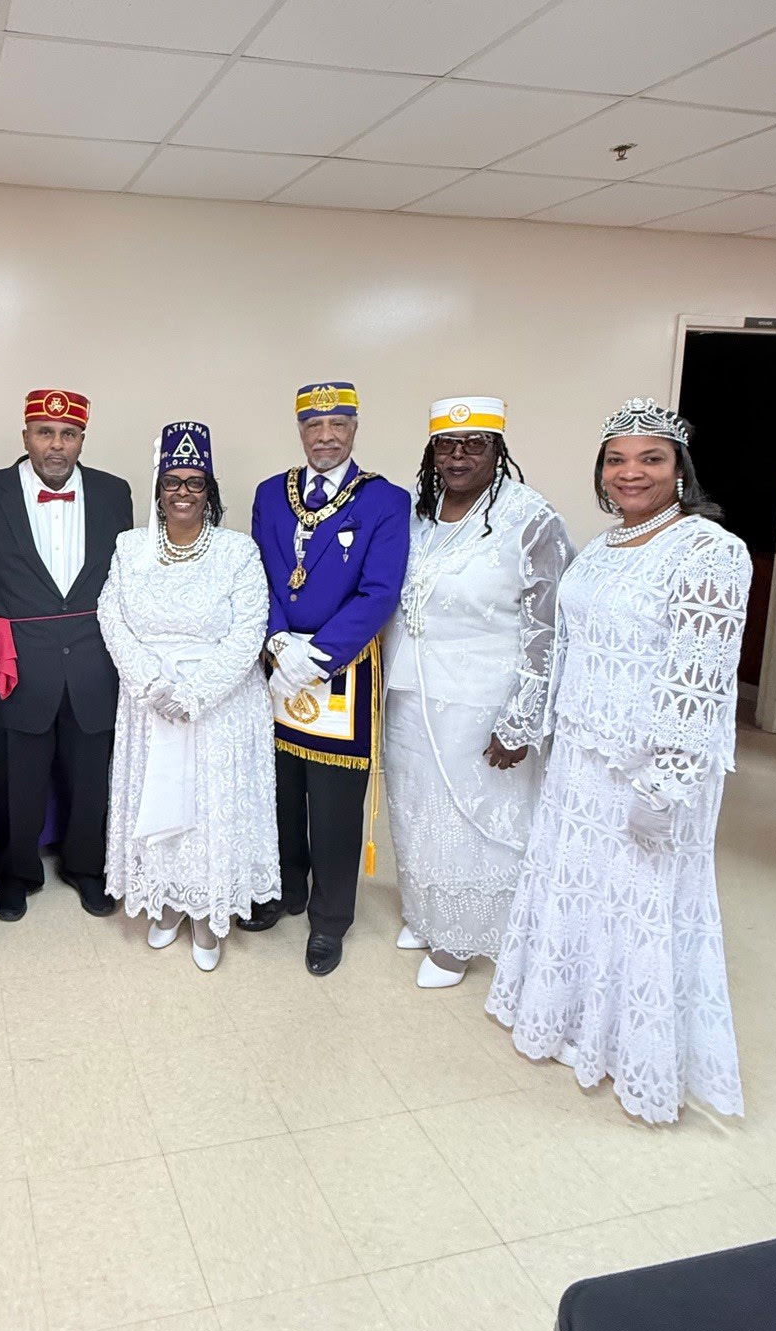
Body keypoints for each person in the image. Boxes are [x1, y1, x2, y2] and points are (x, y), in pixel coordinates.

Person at [487, 399, 748, 1124]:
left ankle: (635, 1052)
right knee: (583, 888)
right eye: (617, 459)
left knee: (639, 902)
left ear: (679, 469)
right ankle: (572, 1022)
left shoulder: (709, 550)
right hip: (581, 754)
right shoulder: (604, 547)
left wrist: (667, 781)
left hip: (646, 766)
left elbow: (700, 676)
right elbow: (569, 646)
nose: (631, 472)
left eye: (650, 459)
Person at [383, 398, 574, 989]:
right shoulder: (420, 513)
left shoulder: (531, 519)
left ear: (498, 449)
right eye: (447, 444)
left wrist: (522, 720)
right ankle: (427, 914)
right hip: (410, 692)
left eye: (475, 444)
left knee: (472, 820)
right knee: (417, 810)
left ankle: (464, 937)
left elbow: (550, 628)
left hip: (482, 700)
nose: (458, 456)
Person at [99, 422, 277, 969]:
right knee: (157, 799)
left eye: (194, 483)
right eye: (172, 482)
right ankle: (167, 901)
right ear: (158, 490)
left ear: (209, 491)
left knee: (207, 809)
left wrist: (195, 694)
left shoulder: (237, 551)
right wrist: (151, 684)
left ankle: (207, 911)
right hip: (149, 700)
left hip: (219, 705)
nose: (182, 492)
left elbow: (249, 631)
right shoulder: (130, 547)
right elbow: (110, 615)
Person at [247, 382, 411, 975]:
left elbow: (380, 592)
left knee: (335, 805)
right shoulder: (271, 493)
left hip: (343, 670)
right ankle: (286, 890)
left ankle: (330, 919)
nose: (325, 437)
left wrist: (316, 656)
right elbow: (260, 574)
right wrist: (277, 640)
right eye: (313, 426)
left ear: (354, 428)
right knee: (280, 792)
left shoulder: (386, 500)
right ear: (300, 431)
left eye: (337, 424)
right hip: (277, 663)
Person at [0, 389, 134, 922]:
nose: (56, 445)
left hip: (93, 662)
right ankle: (17, 873)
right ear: (26, 436)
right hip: (18, 665)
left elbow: (128, 578)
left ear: (82, 439)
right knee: (16, 779)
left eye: (68, 434)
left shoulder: (115, 492)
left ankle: (86, 867)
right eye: (45, 432)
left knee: (91, 777)